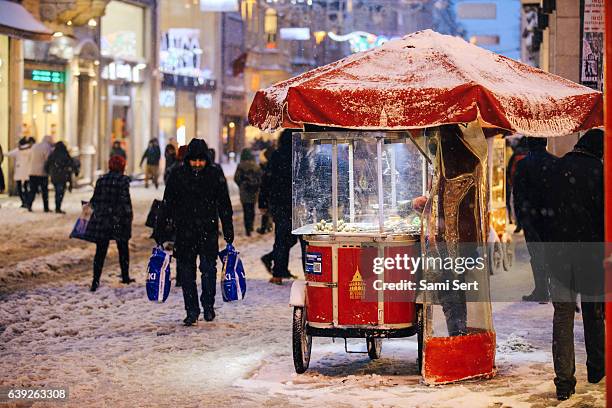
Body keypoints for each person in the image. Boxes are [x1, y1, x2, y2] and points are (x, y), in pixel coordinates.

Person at [547, 129, 605, 401]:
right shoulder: (601, 172)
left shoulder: (557, 169)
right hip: (591, 255)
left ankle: (564, 382)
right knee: (594, 313)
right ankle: (596, 368)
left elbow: (541, 213)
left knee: (563, 316)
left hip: (558, 255)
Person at [159, 139, 234, 326]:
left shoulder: (215, 173)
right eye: (194, 161)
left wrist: (228, 229)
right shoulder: (177, 174)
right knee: (186, 273)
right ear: (188, 160)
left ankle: (208, 306)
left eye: (201, 161)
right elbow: (167, 203)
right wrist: (160, 230)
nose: (198, 164)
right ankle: (191, 310)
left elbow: (224, 204)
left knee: (208, 271)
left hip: (208, 231)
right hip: (184, 232)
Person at [513, 137, 557, 302]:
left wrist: (520, 217)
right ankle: (553, 288)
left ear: (529, 144)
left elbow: (517, 193)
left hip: (531, 217)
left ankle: (541, 289)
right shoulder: (555, 162)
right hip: (551, 216)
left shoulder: (524, 165)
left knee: (536, 254)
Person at [87, 155, 134, 291]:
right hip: (118, 219)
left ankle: (95, 280)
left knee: (100, 251)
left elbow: (94, 200)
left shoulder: (101, 180)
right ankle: (125, 276)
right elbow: (125, 201)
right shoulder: (123, 180)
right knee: (123, 248)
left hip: (103, 219)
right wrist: (128, 215)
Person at [268, 129, 304, 284]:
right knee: (305, 241)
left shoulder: (277, 155)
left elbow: (267, 180)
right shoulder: (301, 154)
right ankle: (309, 272)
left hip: (281, 203)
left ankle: (278, 273)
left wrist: (265, 202)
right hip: (300, 203)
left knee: (281, 240)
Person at [234, 148, 262, 236]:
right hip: (253, 191)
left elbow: (236, 178)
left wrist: (241, 185)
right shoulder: (256, 166)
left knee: (246, 210)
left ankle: (247, 228)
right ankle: (251, 225)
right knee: (252, 209)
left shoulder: (240, 166)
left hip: (244, 191)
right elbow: (260, 178)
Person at [45, 141, 78, 214]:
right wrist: (75, 171)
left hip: (54, 176)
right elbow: (71, 163)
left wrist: (48, 172)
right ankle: (58, 207)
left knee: (58, 191)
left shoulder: (53, 154)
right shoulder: (65, 154)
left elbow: (47, 164)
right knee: (60, 192)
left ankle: (57, 206)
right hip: (63, 176)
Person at [506, 137, 528, 232]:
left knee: (518, 205)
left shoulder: (515, 154)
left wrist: (511, 181)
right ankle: (526, 224)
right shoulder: (529, 154)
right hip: (527, 185)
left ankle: (519, 224)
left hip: (517, 184)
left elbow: (510, 169)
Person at [27, 135, 54, 212]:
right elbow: (47, 159)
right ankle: (46, 207)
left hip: (32, 171)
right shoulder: (47, 147)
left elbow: (29, 157)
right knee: (44, 191)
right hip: (42, 172)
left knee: (32, 190)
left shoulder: (34, 146)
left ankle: (29, 205)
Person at [7, 137, 34, 207]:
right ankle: (27, 201)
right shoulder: (31, 150)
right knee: (26, 187)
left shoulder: (17, 150)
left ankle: (23, 201)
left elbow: (8, 154)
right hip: (27, 172)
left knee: (19, 188)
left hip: (19, 172)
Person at [257, 146, 274, 234]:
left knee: (266, 211)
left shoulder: (265, 168)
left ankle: (265, 227)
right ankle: (268, 226)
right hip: (276, 195)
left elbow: (263, 187)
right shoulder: (277, 165)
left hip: (269, 195)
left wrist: (261, 203)